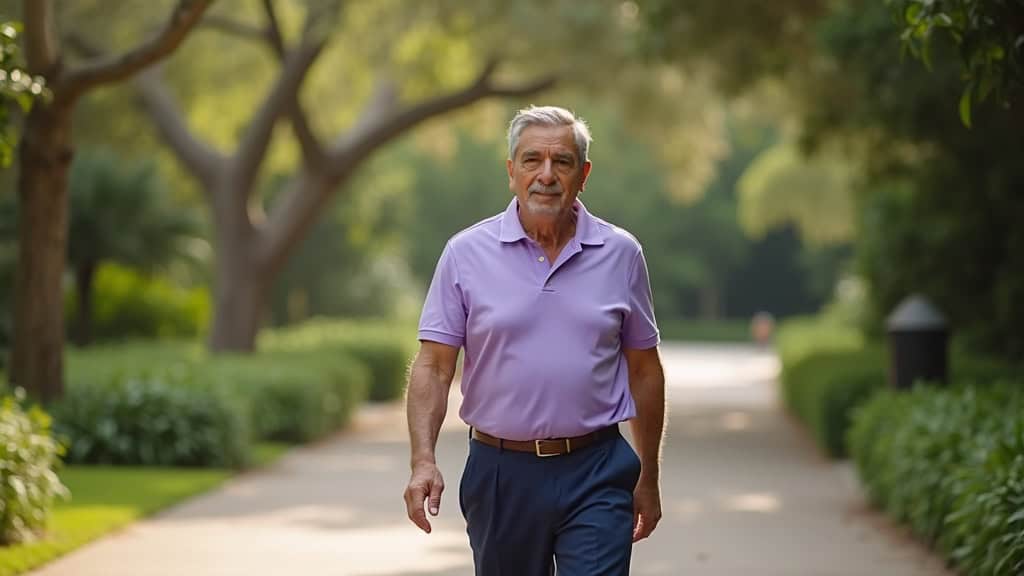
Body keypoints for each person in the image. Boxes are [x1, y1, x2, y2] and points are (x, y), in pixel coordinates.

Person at [404, 105, 666, 575]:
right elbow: (434, 366)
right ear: (512, 172)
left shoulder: (621, 254)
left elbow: (645, 369)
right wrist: (423, 460)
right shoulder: (465, 254)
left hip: (598, 469)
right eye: (532, 161)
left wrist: (649, 474)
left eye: (561, 162)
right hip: (501, 471)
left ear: (582, 175)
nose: (546, 175)